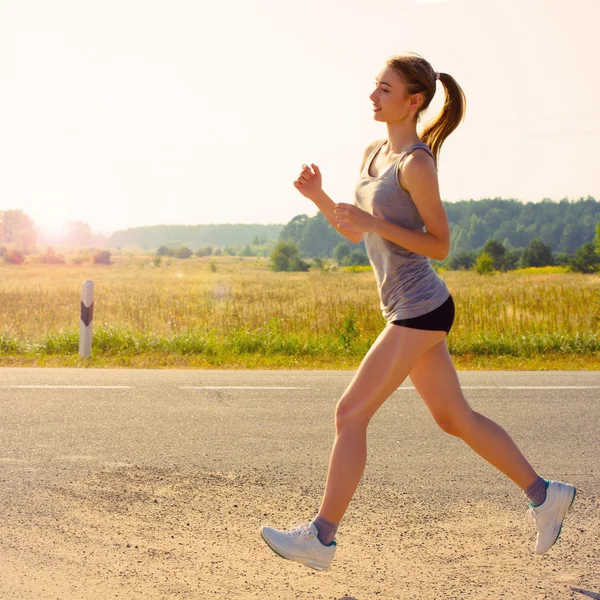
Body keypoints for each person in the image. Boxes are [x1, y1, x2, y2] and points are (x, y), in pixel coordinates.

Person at [259, 52, 576, 572]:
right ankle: (545, 495)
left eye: (384, 89)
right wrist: (320, 197)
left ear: (414, 101)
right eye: (374, 86)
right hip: (410, 308)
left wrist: (371, 221)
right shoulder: (374, 153)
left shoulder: (417, 164)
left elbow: (440, 245)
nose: (373, 95)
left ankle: (322, 537)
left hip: (419, 308)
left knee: (350, 413)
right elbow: (355, 227)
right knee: (455, 418)